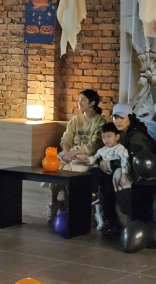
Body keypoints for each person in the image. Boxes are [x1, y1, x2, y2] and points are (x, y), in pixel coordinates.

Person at [97, 102, 156, 235]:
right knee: (101, 175)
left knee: (118, 174)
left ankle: (129, 218)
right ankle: (110, 219)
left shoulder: (137, 134)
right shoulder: (117, 133)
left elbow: (133, 159)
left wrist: (110, 164)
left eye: (122, 118)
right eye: (115, 117)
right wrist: (101, 161)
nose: (118, 121)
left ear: (130, 117)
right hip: (124, 170)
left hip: (139, 175)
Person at [48, 89, 106, 223]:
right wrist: (66, 152)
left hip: (87, 156)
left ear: (92, 103)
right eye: (79, 100)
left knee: (72, 173)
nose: (79, 103)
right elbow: (66, 139)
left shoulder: (100, 121)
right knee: (54, 168)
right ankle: (53, 202)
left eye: (83, 100)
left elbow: (92, 146)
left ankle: (73, 207)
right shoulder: (75, 120)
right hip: (70, 154)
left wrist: (72, 154)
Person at [76, 122, 129, 230]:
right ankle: (93, 195)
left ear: (117, 136)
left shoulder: (120, 149)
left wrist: (124, 174)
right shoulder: (102, 150)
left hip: (113, 178)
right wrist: (85, 160)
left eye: (109, 136)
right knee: (94, 172)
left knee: (109, 200)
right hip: (103, 178)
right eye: (104, 137)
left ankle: (112, 224)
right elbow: (94, 158)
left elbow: (125, 161)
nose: (106, 139)